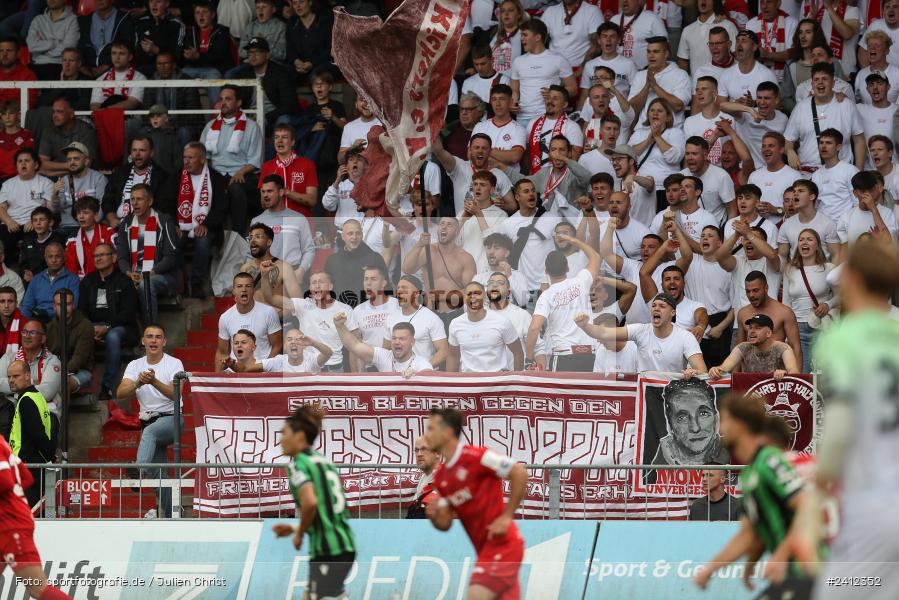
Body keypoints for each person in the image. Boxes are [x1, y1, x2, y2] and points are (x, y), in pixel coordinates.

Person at [694, 393, 810, 598]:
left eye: (725, 421)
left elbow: (807, 509)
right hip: (789, 576)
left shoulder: (769, 460)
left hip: (806, 572)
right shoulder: (750, 472)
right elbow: (750, 534)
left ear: (740, 425)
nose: (720, 430)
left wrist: (780, 556)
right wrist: (712, 569)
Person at [425, 407, 527, 600]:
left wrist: (506, 517)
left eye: (431, 428)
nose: (426, 434)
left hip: (503, 544)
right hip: (484, 550)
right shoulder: (441, 478)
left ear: (447, 432)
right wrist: (434, 516)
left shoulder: (479, 456)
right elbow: (445, 523)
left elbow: (519, 473)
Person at [272, 406, 356, 599]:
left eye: (284, 433)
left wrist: (300, 533)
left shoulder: (298, 464)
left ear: (300, 436)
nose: (280, 440)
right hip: (345, 544)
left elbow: (310, 504)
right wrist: (295, 528)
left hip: (328, 550)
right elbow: (328, 510)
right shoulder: (324, 462)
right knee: (310, 596)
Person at [116, 323, 184, 518]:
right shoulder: (135, 365)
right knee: (160, 476)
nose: (153, 340)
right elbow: (120, 393)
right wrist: (138, 382)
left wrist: (153, 381)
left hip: (173, 420)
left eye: (158, 337)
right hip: (149, 421)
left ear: (164, 341)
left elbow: (176, 395)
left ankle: (139, 472)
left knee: (150, 433)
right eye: (149, 336)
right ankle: (174, 516)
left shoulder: (174, 363)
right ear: (143, 341)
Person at [0, 432, 71, 599]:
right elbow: (25, 477)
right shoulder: (2, 442)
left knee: (37, 588)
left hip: (10, 526)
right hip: (9, 521)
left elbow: (4, 480)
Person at [576, 293, 709, 376]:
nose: (656, 308)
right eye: (654, 305)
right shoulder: (640, 330)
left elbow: (702, 371)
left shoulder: (685, 337)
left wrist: (693, 372)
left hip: (674, 393)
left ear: (672, 312)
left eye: (662, 306)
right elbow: (605, 332)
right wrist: (584, 325)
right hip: (645, 394)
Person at [525, 233, 601, 372]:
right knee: (587, 394)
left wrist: (529, 359)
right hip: (589, 354)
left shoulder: (546, 296)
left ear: (546, 271)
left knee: (563, 394)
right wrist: (572, 240)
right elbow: (595, 257)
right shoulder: (581, 281)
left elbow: (534, 328)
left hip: (563, 355)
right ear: (568, 268)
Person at [200, 85, 264, 237]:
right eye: (221, 99)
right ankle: (211, 239)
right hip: (217, 174)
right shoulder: (210, 126)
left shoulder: (251, 127)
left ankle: (238, 236)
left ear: (239, 102)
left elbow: (256, 160)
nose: (223, 103)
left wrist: (240, 172)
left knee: (235, 188)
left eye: (228, 99)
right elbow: (202, 157)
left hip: (243, 174)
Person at [79, 242, 138, 401]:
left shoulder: (124, 281)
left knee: (112, 336)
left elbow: (128, 312)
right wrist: (90, 328)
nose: (98, 258)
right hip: (93, 326)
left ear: (113, 257)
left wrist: (107, 326)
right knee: (77, 330)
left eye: (102, 255)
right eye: (96, 256)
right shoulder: (87, 281)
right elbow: (81, 311)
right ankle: (79, 381)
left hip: (120, 327)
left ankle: (107, 386)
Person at [113, 184, 179, 322]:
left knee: (146, 284)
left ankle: (151, 330)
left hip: (162, 276)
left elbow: (170, 258)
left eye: (139, 199)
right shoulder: (126, 224)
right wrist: (129, 274)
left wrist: (149, 274)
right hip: (135, 275)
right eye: (132, 199)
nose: (135, 203)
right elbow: (122, 257)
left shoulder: (164, 221)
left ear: (150, 201)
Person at [785, 62, 864, 173]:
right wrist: (789, 151)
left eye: (824, 79)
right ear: (812, 84)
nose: (820, 82)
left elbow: (859, 140)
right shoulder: (801, 107)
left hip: (840, 172)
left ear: (833, 83)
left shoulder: (847, 105)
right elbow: (788, 139)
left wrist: (858, 170)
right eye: (816, 79)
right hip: (807, 174)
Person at [402, 217, 477, 326]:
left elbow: (471, 292)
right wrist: (419, 244)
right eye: (442, 223)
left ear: (456, 232)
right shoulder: (428, 251)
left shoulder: (465, 258)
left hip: (456, 314)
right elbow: (407, 269)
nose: (444, 227)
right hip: (430, 313)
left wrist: (442, 296)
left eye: (449, 225)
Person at [174, 142, 226, 298]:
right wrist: (174, 224)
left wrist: (206, 224)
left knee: (203, 242)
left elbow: (221, 207)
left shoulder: (215, 178)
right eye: (185, 158)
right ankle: (181, 283)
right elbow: (165, 202)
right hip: (180, 225)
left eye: (191, 157)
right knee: (172, 243)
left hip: (207, 226)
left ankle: (196, 284)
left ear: (203, 159)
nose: (187, 161)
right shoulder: (177, 177)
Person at [781, 228, 837, 372]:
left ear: (817, 245)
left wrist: (827, 304)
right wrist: (786, 330)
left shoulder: (829, 268)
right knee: (803, 372)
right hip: (797, 327)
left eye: (809, 239)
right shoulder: (790, 270)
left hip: (821, 326)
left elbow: (842, 295)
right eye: (801, 239)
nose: (804, 242)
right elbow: (786, 303)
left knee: (823, 372)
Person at [282, 270, 359, 373]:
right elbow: (272, 299)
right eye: (313, 282)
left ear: (331, 286)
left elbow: (354, 347)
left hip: (334, 370)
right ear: (310, 288)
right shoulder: (303, 306)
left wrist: (356, 376)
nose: (317, 285)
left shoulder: (345, 310)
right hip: (308, 369)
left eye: (321, 282)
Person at [6, 359, 56, 508]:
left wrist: (49, 456)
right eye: (9, 377)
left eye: (16, 376)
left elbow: (38, 435)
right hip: (34, 466)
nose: (11, 380)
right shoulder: (37, 396)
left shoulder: (26, 401)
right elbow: (52, 426)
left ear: (27, 376)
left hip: (28, 467)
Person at [0, 320, 62, 439]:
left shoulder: (52, 361)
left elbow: (46, 392)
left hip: (44, 414)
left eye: (33, 333)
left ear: (42, 338)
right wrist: (32, 383)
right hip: (12, 413)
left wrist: (15, 390)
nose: (27, 336)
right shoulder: (9, 358)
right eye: (24, 332)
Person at [509, 18, 577, 126]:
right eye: (521, 35)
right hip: (523, 118)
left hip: (549, 116)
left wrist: (554, 93)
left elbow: (573, 89)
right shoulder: (518, 61)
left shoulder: (558, 59)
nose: (521, 38)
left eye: (525, 35)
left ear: (537, 37)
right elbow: (514, 90)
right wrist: (513, 103)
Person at [448, 282, 523, 372]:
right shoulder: (455, 324)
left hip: (497, 381)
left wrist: (517, 382)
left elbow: (518, 352)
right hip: (469, 381)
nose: (473, 297)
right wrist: (451, 384)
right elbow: (453, 356)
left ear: (484, 296)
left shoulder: (502, 321)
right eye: (468, 294)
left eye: (477, 293)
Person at [215, 272, 282, 370]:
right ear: (233, 290)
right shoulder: (225, 317)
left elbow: (277, 345)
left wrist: (265, 369)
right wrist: (217, 381)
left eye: (248, 286)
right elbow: (221, 352)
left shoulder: (269, 312)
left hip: (261, 369)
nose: (244, 290)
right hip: (235, 369)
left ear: (253, 290)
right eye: (239, 286)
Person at [736, 271, 803, 366]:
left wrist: (795, 378)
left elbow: (796, 348)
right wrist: (736, 377)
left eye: (755, 290)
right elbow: (739, 350)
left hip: (777, 373)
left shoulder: (784, 312)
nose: (751, 295)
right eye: (748, 291)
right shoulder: (743, 313)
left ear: (766, 288)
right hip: (751, 373)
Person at [628, 98, 686, 208]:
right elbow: (629, 156)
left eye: (660, 111)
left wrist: (657, 136)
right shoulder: (639, 133)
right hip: (642, 189)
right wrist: (647, 141)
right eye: (652, 110)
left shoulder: (676, 133)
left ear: (668, 116)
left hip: (667, 190)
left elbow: (674, 157)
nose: (655, 113)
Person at [335, 314, 433, 377]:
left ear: (412, 342)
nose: (397, 342)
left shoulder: (421, 363)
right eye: (394, 338)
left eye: (402, 339)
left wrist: (417, 375)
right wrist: (339, 326)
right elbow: (354, 346)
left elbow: (431, 378)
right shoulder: (384, 356)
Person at [711, 313, 799, 380]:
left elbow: (795, 372)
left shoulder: (782, 348)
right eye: (750, 328)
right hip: (751, 397)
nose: (751, 331)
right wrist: (716, 370)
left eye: (757, 328)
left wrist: (785, 373)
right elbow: (724, 368)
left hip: (775, 394)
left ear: (768, 333)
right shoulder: (742, 347)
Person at [629, 37, 692, 128]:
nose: (651, 56)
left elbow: (678, 106)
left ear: (666, 54)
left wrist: (655, 86)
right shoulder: (640, 75)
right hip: (643, 131)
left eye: (656, 52)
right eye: (649, 51)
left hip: (671, 131)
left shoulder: (680, 74)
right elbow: (632, 109)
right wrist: (647, 86)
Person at [0, 150, 53, 258]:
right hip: (10, 225)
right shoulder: (7, 184)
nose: (23, 163)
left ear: (36, 164)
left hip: (34, 225)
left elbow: (49, 207)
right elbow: (1, 207)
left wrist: (33, 221)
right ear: (16, 166)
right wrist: (9, 221)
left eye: (27, 161)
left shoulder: (46, 183)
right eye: (20, 161)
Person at [241, 223, 302, 316]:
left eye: (258, 237)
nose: (252, 240)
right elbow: (241, 300)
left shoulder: (284, 267)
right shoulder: (245, 268)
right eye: (250, 238)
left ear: (269, 242)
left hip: (279, 322)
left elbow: (298, 304)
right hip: (253, 323)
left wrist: (273, 320)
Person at [259, 124, 318, 217]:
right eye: (276, 137)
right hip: (275, 221)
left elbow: (312, 200)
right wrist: (272, 196)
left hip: (301, 221)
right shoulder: (267, 166)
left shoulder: (307, 164)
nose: (279, 141)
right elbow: (263, 203)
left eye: (284, 137)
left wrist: (288, 193)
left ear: (292, 142)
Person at [181, 1, 233, 104]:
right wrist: (187, 56)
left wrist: (197, 56)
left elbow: (218, 55)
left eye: (204, 12)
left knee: (213, 74)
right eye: (197, 12)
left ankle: (217, 113)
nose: (201, 15)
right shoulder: (190, 31)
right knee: (181, 74)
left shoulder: (222, 31)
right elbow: (184, 54)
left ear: (213, 15)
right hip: (194, 69)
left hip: (214, 69)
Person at [45, 288, 93, 396]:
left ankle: (58, 412)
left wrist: (58, 375)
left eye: (67, 304)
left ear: (73, 305)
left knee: (62, 384)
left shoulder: (85, 325)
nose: (64, 308)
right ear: (54, 307)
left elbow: (79, 359)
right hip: (54, 370)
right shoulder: (49, 327)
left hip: (80, 371)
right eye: (59, 304)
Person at [52, 144, 108, 237]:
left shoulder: (98, 178)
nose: (72, 162)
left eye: (76, 159)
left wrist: (95, 223)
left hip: (91, 226)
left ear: (86, 161)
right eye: (69, 159)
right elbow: (56, 210)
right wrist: (55, 194)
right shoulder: (63, 180)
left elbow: (103, 205)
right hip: (67, 227)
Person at [226, 326, 333, 374]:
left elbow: (328, 353)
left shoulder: (311, 360)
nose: (293, 342)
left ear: (304, 346)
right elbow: (245, 369)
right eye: (289, 339)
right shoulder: (278, 361)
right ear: (285, 346)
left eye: (298, 340)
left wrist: (313, 343)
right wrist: (232, 365)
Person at [679, 136, 736, 225]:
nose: (690, 158)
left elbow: (732, 209)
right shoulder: (680, 176)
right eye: (687, 154)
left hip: (714, 232)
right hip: (688, 230)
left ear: (705, 155)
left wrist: (728, 233)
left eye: (694, 154)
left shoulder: (721, 176)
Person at [37, 97, 99, 178]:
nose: (55, 115)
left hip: (82, 177)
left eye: (60, 111)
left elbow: (86, 164)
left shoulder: (86, 130)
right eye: (53, 112)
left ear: (71, 114)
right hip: (56, 177)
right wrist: (71, 166)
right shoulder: (48, 131)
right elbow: (42, 163)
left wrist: (53, 173)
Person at [837, 170, 899, 250]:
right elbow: (845, 252)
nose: (867, 195)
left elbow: (887, 241)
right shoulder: (846, 217)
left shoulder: (887, 213)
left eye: (870, 190)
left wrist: (873, 208)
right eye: (863, 191)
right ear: (855, 193)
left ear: (876, 189)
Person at [20, 242, 80, 320]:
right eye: (50, 257)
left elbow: (73, 306)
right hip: (38, 322)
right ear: (45, 258)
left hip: (61, 322)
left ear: (64, 258)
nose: (54, 260)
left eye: (57, 256)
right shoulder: (36, 279)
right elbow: (26, 306)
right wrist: (25, 324)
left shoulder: (73, 279)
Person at [677, 0, 738, 75]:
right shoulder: (687, 30)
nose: (703, 1)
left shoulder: (728, 26)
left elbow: (738, 56)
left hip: (723, 84)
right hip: (697, 84)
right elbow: (683, 59)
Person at [718, 30, 778, 103]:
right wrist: (735, 105)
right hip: (733, 114)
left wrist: (754, 103)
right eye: (737, 41)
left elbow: (777, 104)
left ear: (754, 47)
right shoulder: (726, 74)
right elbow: (720, 105)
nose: (739, 44)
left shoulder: (767, 75)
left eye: (744, 41)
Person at [25, 0, 79, 81]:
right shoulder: (37, 20)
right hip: (36, 65)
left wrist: (41, 47)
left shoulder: (73, 20)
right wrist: (55, 43)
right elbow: (31, 46)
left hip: (58, 65)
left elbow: (68, 48)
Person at [582, 22, 638, 97]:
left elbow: (637, 92)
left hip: (620, 108)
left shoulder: (629, 64)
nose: (608, 40)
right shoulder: (589, 65)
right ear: (598, 40)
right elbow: (584, 95)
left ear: (618, 40)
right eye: (604, 36)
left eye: (612, 36)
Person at [89, 41, 146, 112]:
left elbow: (133, 103)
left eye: (121, 53)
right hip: (104, 118)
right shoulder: (101, 79)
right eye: (114, 53)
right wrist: (100, 111)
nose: (117, 57)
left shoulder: (139, 78)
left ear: (130, 57)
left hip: (129, 119)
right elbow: (94, 104)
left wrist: (107, 110)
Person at [133, 0, 185, 76]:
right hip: (142, 69)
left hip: (167, 70)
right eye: (151, 1)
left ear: (167, 4)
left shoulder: (176, 24)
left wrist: (157, 50)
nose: (154, 5)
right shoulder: (141, 22)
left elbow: (177, 55)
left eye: (158, 1)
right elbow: (135, 51)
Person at [611, 0, 667, 71]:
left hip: (643, 71)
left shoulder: (652, 19)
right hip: (617, 71)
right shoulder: (614, 20)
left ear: (639, 1)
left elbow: (664, 47)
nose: (625, 1)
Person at [723, 184, 779, 256]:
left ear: (757, 202)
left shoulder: (770, 227)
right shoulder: (730, 223)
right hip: (734, 266)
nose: (742, 201)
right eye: (740, 198)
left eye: (747, 198)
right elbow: (724, 253)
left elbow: (774, 256)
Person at [236, 0, 287, 70]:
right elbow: (241, 52)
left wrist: (265, 43)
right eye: (258, 7)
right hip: (250, 65)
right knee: (230, 75)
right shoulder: (249, 27)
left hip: (271, 65)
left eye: (264, 7)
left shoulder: (281, 27)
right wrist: (254, 47)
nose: (260, 10)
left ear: (273, 9)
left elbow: (283, 54)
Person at [407, 434, 440, 518]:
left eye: (424, 449)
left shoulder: (446, 479)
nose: (419, 454)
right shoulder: (424, 477)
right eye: (416, 450)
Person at [0, 101, 34, 182]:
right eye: (4, 114)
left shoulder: (27, 135)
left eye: (11, 113)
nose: (7, 117)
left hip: (20, 178)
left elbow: (29, 160)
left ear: (18, 115)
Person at [0, 37, 36, 108]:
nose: (4, 54)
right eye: (1, 51)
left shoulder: (28, 75)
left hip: (17, 118)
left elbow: (29, 104)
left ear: (18, 54)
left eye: (9, 50)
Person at [0, 287, 24, 357]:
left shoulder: (26, 324)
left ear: (16, 303)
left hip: (17, 365)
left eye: (10, 301)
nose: (6, 306)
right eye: (2, 301)